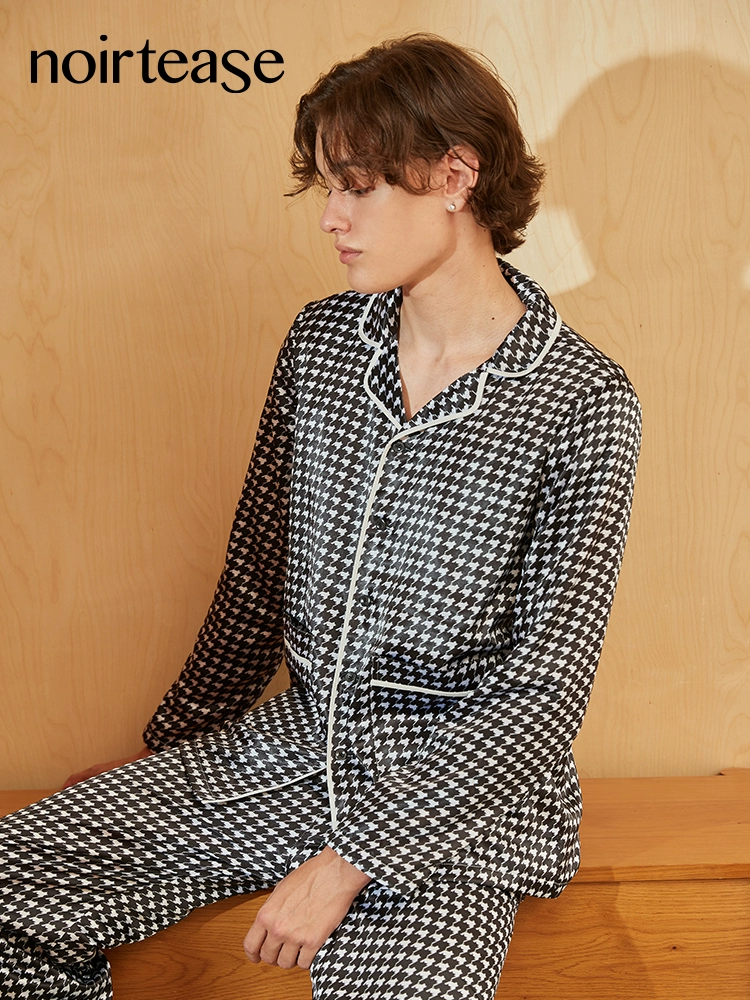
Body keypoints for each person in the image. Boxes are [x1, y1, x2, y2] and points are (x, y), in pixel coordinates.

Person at [0, 33, 641, 1000]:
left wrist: (351, 860)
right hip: (291, 753)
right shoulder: (322, 345)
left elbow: (540, 699)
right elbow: (259, 574)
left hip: (456, 806)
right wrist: (169, 757)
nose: (332, 218)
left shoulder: (582, 401)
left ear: (455, 175)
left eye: (359, 188)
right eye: (328, 187)